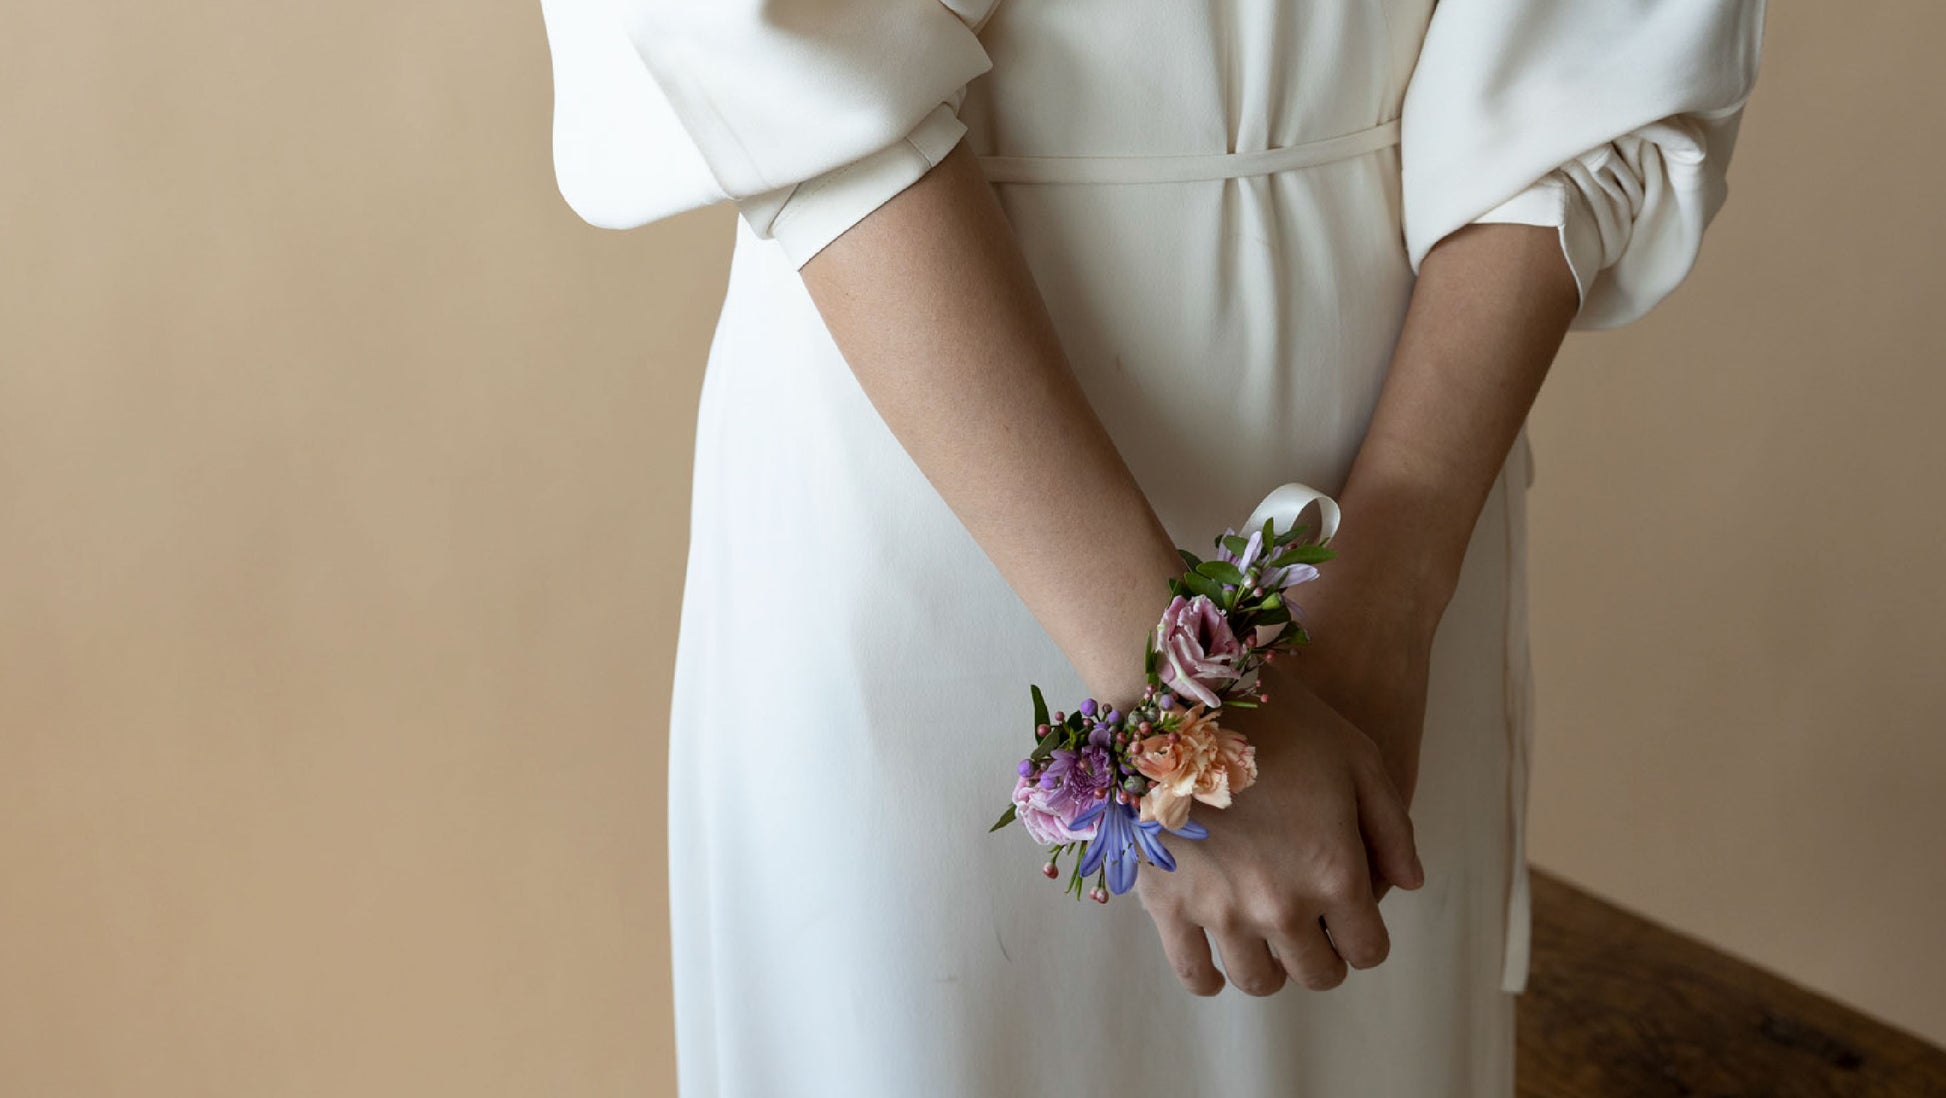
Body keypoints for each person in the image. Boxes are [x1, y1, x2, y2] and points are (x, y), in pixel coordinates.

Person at [536, 1, 1767, 1093]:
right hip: (932, 477)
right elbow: (767, 44)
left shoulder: (1394, 591)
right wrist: (1174, 705)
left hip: (1397, 487)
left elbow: (1597, 47)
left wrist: (1391, 583)